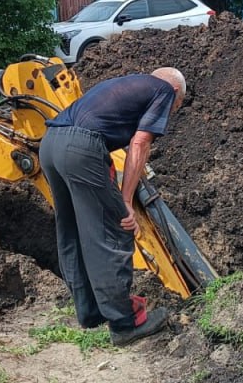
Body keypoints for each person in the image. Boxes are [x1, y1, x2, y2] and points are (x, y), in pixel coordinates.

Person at [38, 67, 185, 347]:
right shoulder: (165, 90)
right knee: (114, 230)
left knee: (73, 230)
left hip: (51, 144)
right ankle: (124, 324)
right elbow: (140, 143)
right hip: (80, 149)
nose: (170, 114)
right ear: (175, 92)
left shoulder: (127, 84)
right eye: (175, 109)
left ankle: (90, 312)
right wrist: (126, 201)